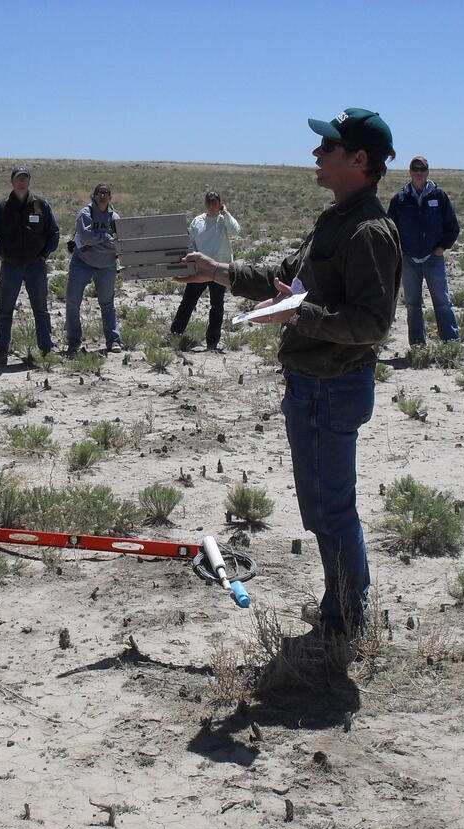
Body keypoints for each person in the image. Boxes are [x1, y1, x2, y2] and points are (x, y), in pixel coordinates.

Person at [180, 108, 401, 663]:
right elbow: (286, 279)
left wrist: (298, 317)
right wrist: (217, 271)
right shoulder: (336, 220)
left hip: (334, 385)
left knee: (332, 508)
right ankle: (341, 607)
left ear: (359, 159)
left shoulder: (369, 231)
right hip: (310, 383)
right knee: (320, 507)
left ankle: (347, 616)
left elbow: (371, 325)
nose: (316, 155)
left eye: (328, 147)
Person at [0, 166, 59, 367]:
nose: (21, 182)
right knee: (5, 310)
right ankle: (0, 352)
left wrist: (44, 255)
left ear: (29, 181)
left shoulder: (42, 204)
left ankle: (46, 349)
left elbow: (54, 233)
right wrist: (1, 255)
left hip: (36, 266)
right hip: (11, 266)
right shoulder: (1, 207)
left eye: (25, 178)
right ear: (12, 181)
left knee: (41, 310)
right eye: (18, 178)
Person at [387, 156, 460, 345]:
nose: (418, 173)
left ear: (427, 172)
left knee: (442, 301)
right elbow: (389, 229)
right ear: (410, 172)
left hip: (432, 257)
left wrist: (441, 247)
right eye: (415, 169)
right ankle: (417, 344)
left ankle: (450, 342)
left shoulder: (439, 196)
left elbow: (452, 226)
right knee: (412, 304)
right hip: (409, 259)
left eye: (422, 169)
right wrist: (399, 252)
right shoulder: (400, 199)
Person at [171, 192, 240, 350]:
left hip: (220, 268)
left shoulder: (224, 220)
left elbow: (236, 231)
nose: (211, 206)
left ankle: (212, 342)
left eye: (215, 203)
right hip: (200, 268)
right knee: (188, 301)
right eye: (209, 203)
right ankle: (175, 333)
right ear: (205, 204)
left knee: (217, 305)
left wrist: (226, 213)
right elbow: (192, 242)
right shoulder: (198, 221)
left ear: (220, 203)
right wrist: (193, 262)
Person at [64, 184, 121, 354]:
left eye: (106, 193)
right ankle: (73, 341)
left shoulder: (115, 217)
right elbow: (86, 237)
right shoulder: (85, 213)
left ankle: (113, 340)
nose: (102, 195)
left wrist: (99, 240)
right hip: (82, 262)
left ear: (110, 197)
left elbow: (117, 243)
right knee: (72, 302)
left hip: (107, 265)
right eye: (99, 193)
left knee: (107, 304)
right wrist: (105, 238)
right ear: (94, 196)